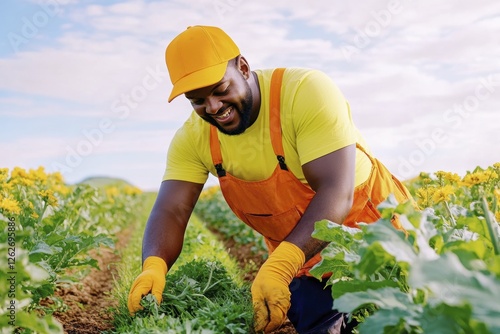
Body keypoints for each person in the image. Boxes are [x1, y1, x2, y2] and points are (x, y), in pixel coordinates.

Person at [127, 25, 413, 334]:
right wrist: (153, 266)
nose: (213, 107)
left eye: (221, 89)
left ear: (244, 68)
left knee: (393, 324)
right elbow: (172, 209)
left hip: (375, 236)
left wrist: (280, 265)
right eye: (197, 100)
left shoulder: (305, 91)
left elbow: (336, 191)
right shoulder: (193, 139)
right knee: (317, 323)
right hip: (305, 254)